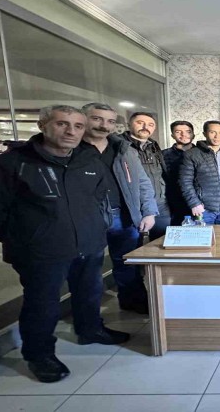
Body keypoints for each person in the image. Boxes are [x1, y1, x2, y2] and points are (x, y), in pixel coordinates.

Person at [0, 105, 129, 384]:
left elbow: (100, 198)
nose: (71, 131)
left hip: (88, 244)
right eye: (62, 124)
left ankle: (90, 330)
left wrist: (96, 229)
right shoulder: (6, 165)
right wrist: (28, 239)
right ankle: (39, 355)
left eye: (78, 126)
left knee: (90, 292)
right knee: (42, 304)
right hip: (41, 252)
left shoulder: (89, 161)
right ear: (43, 125)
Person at [81, 103, 158, 315]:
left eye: (110, 121)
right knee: (88, 269)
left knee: (127, 264)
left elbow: (143, 182)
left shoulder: (124, 149)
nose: (103, 125)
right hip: (88, 219)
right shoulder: (73, 150)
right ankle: (89, 318)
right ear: (83, 119)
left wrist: (149, 211)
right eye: (97, 119)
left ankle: (132, 302)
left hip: (124, 216)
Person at [120, 112, 171, 240]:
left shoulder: (153, 146)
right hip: (133, 205)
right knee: (132, 246)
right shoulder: (120, 146)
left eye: (150, 124)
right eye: (140, 123)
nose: (145, 127)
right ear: (128, 124)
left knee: (162, 242)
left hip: (160, 203)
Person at [179, 120, 220, 225]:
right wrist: (194, 203)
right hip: (203, 208)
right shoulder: (192, 154)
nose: (217, 136)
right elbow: (185, 182)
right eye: (212, 132)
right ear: (205, 134)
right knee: (202, 235)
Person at [162, 120, 195, 225]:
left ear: (193, 134)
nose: (183, 134)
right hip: (175, 203)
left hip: (199, 202)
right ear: (172, 135)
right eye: (178, 132)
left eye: (188, 131)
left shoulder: (202, 153)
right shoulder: (163, 155)